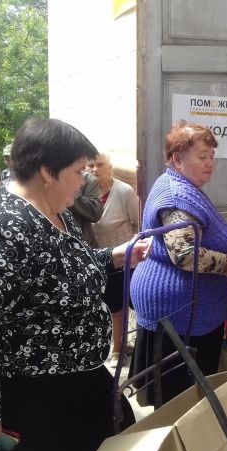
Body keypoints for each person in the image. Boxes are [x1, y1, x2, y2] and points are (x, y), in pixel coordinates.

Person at [0, 118, 150, 451]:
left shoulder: (56, 212)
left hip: (80, 381)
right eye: (78, 172)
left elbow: (64, 270)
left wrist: (115, 257)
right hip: (38, 399)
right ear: (47, 172)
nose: (85, 181)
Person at [130, 120, 227, 406]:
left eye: (212, 156)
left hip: (180, 310)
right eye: (202, 156)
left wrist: (224, 245)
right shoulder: (176, 196)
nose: (210, 163)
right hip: (179, 315)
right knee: (179, 400)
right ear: (177, 159)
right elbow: (186, 255)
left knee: (183, 396)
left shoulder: (180, 185)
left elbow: (192, 236)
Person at [87, 151, 140, 368]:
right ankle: (118, 343)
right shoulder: (83, 192)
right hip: (97, 258)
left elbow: (138, 222)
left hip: (124, 258)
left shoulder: (124, 191)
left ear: (109, 167)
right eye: (90, 165)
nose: (94, 170)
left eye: (99, 165)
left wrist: (134, 249)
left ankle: (119, 349)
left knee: (120, 305)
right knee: (107, 304)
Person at [69, 170, 103, 247]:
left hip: (86, 244)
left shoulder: (89, 179)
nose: (95, 169)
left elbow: (96, 213)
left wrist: (73, 194)